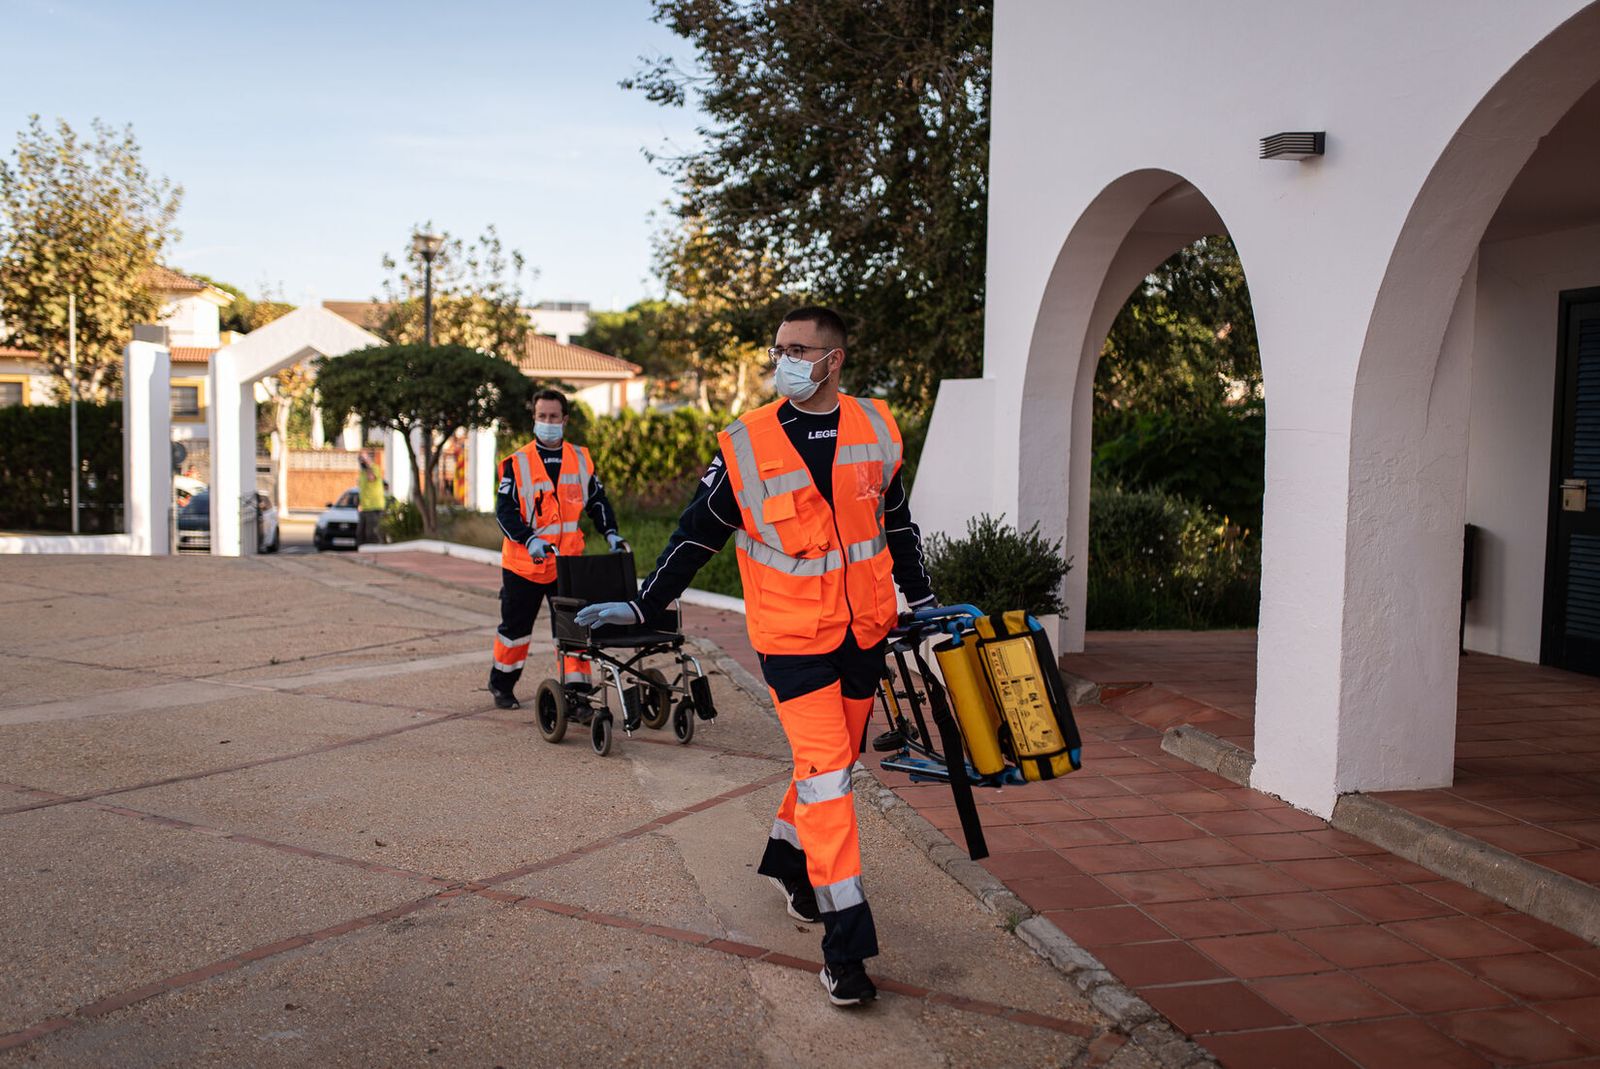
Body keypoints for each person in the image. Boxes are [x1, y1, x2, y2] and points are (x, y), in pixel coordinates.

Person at [576, 307, 936, 1008]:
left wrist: (919, 599)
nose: (783, 360)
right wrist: (647, 604)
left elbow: (895, 521)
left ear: (833, 361)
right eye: (778, 349)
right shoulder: (747, 444)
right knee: (831, 780)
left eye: (797, 350)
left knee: (826, 766)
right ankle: (846, 947)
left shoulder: (877, 428)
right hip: (793, 642)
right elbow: (693, 536)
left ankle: (785, 861)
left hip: (865, 632)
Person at [490, 389, 630, 710]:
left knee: (574, 631)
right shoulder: (516, 463)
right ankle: (502, 685)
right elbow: (504, 512)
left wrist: (611, 534)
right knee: (514, 631)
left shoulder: (580, 459)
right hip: (524, 566)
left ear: (564, 420)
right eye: (542, 416)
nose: (548, 422)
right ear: (534, 418)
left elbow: (597, 501)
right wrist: (529, 539)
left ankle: (578, 695)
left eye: (554, 417)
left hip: (567, 564)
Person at [356, 450, 385, 545]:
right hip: (364, 507)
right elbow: (363, 489)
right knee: (360, 534)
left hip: (374, 507)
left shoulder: (375, 468)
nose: (362, 461)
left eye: (364, 458)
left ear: (369, 458)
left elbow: (372, 478)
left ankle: (373, 553)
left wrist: (367, 466)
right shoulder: (362, 473)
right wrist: (359, 503)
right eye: (360, 459)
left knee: (371, 534)